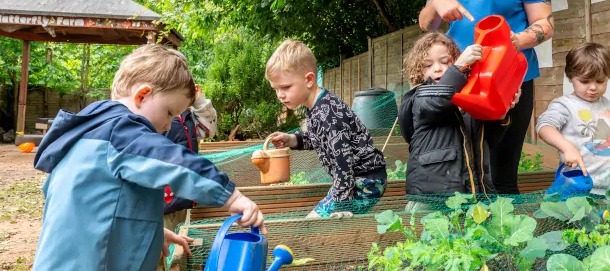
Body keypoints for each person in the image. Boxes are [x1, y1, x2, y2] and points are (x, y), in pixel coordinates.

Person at [33, 44, 265, 270]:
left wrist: (151, 233)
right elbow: (174, 162)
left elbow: (93, 211)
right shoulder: (121, 133)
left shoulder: (89, 135)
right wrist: (232, 198)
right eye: (169, 113)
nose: (167, 127)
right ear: (142, 95)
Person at [418, 0, 554, 194]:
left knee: (501, 173)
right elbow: (427, 24)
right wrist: (438, 3)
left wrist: (515, 41)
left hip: (510, 82)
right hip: (459, 80)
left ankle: (507, 239)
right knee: (462, 169)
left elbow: (545, 24)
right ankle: (465, 239)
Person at [265, 40, 387, 218]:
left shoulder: (328, 113)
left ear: (308, 80)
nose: (280, 95)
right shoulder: (316, 106)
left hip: (365, 181)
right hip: (352, 180)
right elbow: (318, 138)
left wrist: (341, 205)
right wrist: (292, 139)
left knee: (316, 223)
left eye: (285, 87)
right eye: (276, 89)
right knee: (316, 221)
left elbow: (342, 163)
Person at [399, 32, 519, 211]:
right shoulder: (418, 98)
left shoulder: (470, 100)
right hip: (431, 200)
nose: (438, 68)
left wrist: (503, 111)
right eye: (428, 65)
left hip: (474, 196)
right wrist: (458, 67)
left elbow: (488, 140)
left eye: (445, 62)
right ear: (418, 71)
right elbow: (437, 101)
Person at [536, 42, 610, 195]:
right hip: (579, 187)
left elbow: (605, 135)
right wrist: (567, 148)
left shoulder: (607, 104)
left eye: (600, 81)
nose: (593, 87)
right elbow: (544, 127)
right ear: (570, 77)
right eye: (584, 81)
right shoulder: (565, 105)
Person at [158, 84, 219, 271]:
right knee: (159, 253)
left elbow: (209, 130)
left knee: (178, 249)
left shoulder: (186, 115)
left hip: (182, 198)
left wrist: (199, 101)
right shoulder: (155, 115)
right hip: (160, 202)